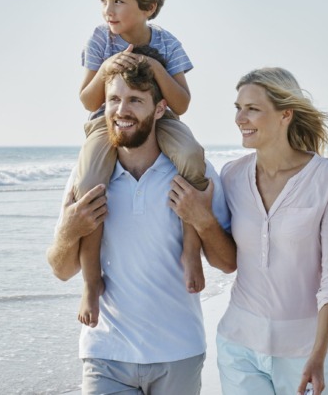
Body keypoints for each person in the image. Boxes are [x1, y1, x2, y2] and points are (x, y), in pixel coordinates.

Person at [46, 60, 236, 394]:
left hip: (178, 351)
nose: (121, 110)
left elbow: (227, 262)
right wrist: (70, 230)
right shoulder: (89, 176)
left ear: (160, 108)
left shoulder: (193, 171)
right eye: (114, 100)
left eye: (135, 100)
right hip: (105, 353)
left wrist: (201, 219)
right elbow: (61, 270)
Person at [171, 67, 328, 395]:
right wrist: (201, 221)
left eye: (252, 109)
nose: (240, 118)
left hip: (305, 353)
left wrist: (318, 354)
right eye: (238, 108)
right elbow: (227, 261)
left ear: (286, 114)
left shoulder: (327, 178)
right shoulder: (232, 176)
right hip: (239, 345)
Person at [74, 0, 209, 328]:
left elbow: (182, 102)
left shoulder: (166, 42)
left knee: (193, 158)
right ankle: (90, 282)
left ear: (148, 6)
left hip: (161, 118)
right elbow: (88, 101)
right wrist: (106, 68)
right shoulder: (101, 39)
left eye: (119, 1)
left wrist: (156, 70)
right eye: (104, 0)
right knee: (87, 187)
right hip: (107, 122)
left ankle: (192, 252)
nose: (108, 10)